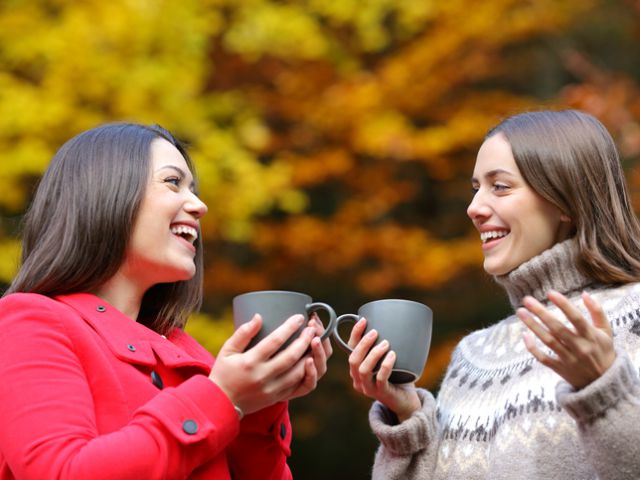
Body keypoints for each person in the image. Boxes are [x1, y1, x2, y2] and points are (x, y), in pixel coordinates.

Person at [0, 123, 332, 479]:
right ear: (104, 193)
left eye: (194, 189)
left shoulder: (190, 356)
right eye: (173, 182)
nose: (200, 205)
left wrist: (259, 404)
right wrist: (223, 397)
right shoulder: (31, 320)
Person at [347, 109, 640, 479]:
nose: (474, 208)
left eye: (499, 186)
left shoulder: (634, 317)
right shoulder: (473, 357)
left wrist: (604, 390)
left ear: (565, 198)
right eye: (476, 189)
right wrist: (408, 422)